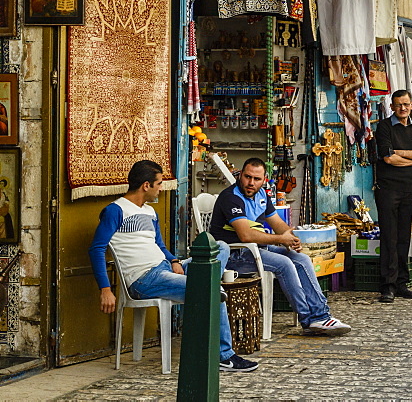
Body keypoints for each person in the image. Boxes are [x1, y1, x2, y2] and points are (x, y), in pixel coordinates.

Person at [89, 160, 258, 373]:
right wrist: (105, 289)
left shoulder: (150, 212)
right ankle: (223, 355)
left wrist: (174, 260)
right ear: (146, 185)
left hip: (165, 269)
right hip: (145, 279)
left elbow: (159, 245)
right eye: (159, 183)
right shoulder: (115, 211)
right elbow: (96, 249)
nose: (161, 188)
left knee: (221, 247)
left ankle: (211, 284)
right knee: (211, 289)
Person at [210, 158, 351, 335]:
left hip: (256, 250)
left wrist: (290, 238)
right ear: (240, 176)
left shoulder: (262, 195)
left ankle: (321, 316)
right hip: (234, 254)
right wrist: (279, 239)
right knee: (284, 264)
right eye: (247, 177)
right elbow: (245, 235)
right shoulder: (231, 197)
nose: (251, 183)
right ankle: (309, 321)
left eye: (256, 179)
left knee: (301, 258)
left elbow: (278, 223)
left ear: (264, 180)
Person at [373, 89, 412, 303]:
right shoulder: (384, 127)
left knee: (403, 236)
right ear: (392, 107)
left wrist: (402, 153)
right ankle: (387, 286)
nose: (403, 108)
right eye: (398, 105)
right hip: (388, 188)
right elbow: (388, 159)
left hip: (409, 188)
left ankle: (401, 283)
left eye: (406, 104)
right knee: (389, 236)